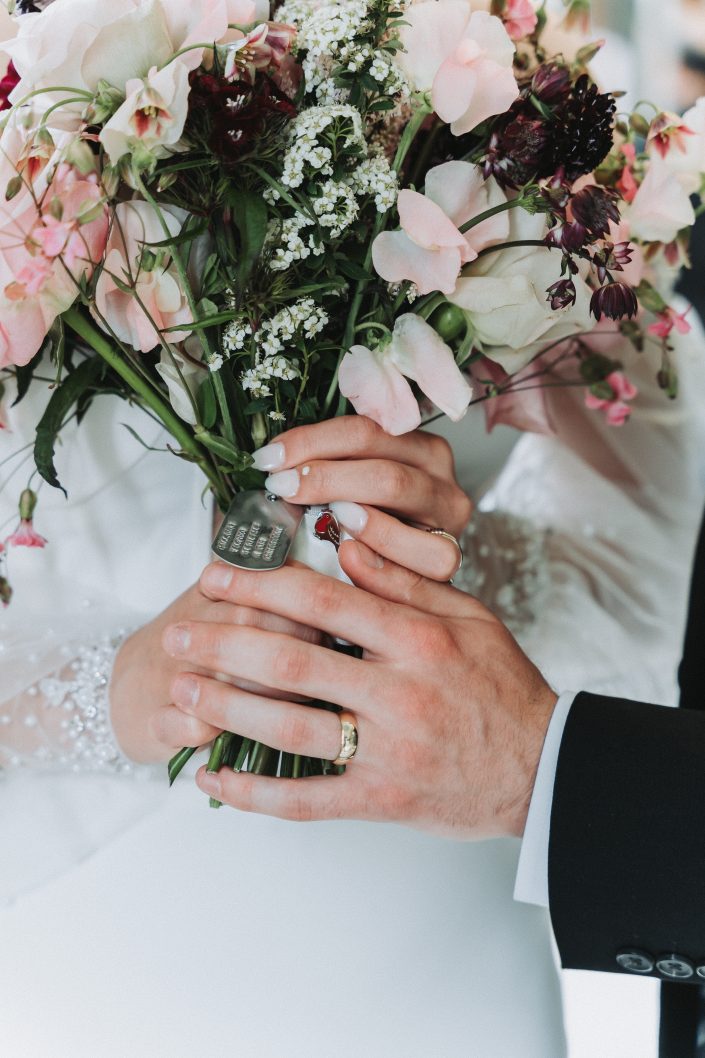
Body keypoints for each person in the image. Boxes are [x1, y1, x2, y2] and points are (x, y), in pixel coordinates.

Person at [2, 319, 702, 1056]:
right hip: (94, 953)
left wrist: (427, 575)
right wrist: (99, 695)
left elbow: (635, 482)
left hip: (436, 917)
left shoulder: (538, 221)